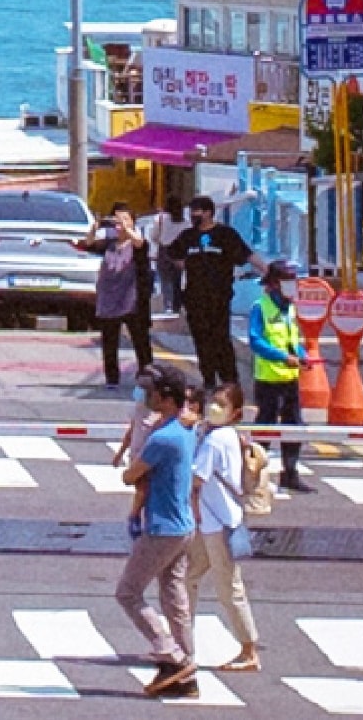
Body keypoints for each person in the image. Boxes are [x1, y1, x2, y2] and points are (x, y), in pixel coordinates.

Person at [119, 362, 203, 698]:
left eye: (151, 392)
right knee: (173, 594)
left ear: (167, 398)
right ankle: (187, 672)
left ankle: (173, 656)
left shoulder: (163, 438)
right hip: (183, 525)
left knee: (128, 593)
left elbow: (130, 475)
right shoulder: (183, 430)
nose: (146, 397)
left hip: (161, 527)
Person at [188, 384, 262, 673]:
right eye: (213, 401)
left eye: (221, 404)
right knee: (187, 577)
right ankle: (181, 640)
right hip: (212, 521)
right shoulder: (224, 435)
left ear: (236, 413)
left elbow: (197, 479)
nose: (213, 408)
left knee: (229, 588)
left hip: (217, 523)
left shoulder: (215, 440)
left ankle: (249, 649)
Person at [171, 197, 253, 388]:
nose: (193, 215)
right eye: (191, 211)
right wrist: (185, 265)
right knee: (201, 340)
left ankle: (229, 380)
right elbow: (173, 254)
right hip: (194, 298)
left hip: (219, 298)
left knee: (220, 339)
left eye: (197, 211)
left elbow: (246, 255)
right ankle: (208, 379)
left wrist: (268, 271)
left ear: (208, 212)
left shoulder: (225, 234)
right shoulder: (187, 236)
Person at [245, 261, 310, 490]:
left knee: (294, 426)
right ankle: (254, 473)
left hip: (290, 378)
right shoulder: (260, 307)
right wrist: (281, 357)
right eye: (288, 281)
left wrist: (303, 355)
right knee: (265, 426)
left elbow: (293, 340)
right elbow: (255, 341)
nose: (293, 286)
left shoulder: (290, 308)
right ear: (274, 284)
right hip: (268, 379)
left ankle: (290, 472)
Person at [75, 202, 155, 389]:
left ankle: (148, 375)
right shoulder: (109, 245)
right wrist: (95, 228)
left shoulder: (138, 245)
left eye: (124, 220)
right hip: (109, 299)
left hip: (133, 300)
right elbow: (87, 244)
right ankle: (112, 378)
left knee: (140, 341)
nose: (119, 225)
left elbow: (139, 243)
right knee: (109, 341)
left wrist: (127, 227)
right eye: (116, 221)